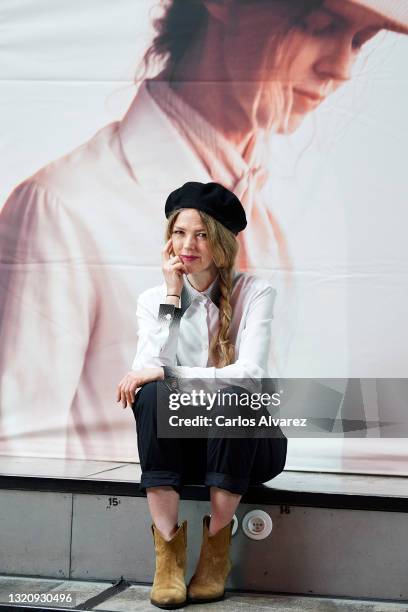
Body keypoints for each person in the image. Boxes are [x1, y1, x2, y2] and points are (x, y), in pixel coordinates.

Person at [0, 1, 407, 462]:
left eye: (359, 39)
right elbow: (19, 463)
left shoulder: (295, 213)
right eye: (318, 25)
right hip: (129, 525)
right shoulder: (63, 208)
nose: (342, 67)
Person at [116, 181, 288, 609]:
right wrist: (173, 296)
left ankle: (215, 552)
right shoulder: (153, 299)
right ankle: (168, 560)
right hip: (187, 447)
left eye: (201, 234)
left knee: (234, 397)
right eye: (178, 232)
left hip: (247, 446)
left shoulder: (256, 293)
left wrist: (165, 372)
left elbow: (249, 375)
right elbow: (147, 372)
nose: (187, 245)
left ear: (222, 242)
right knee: (153, 395)